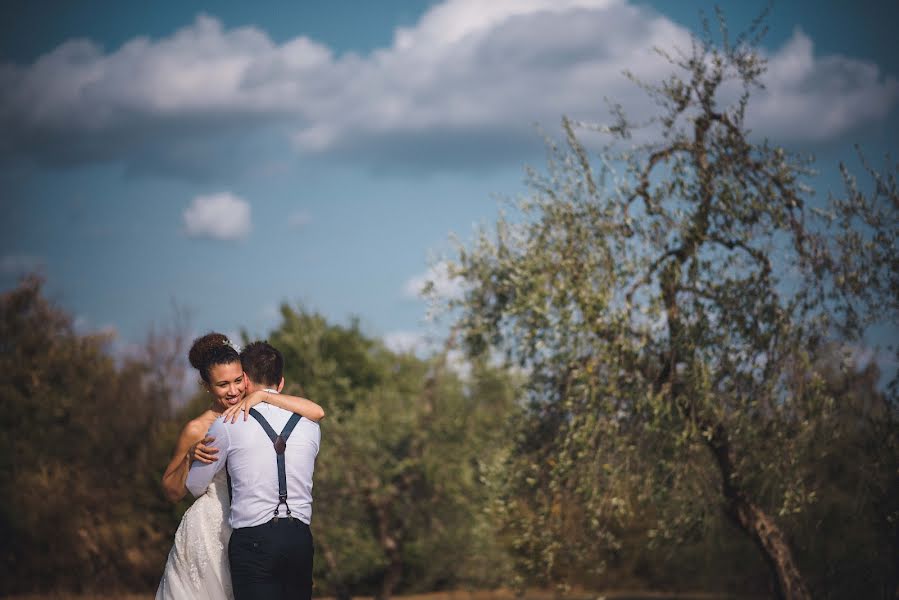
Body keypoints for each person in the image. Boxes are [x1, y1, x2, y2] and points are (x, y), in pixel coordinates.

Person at [156, 333, 324, 600]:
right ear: (207, 386)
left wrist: (264, 398)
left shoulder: (252, 413)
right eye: (223, 384)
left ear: (246, 378)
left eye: (237, 381)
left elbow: (316, 411)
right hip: (212, 530)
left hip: (249, 530)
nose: (233, 391)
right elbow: (175, 491)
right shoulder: (199, 428)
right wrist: (189, 457)